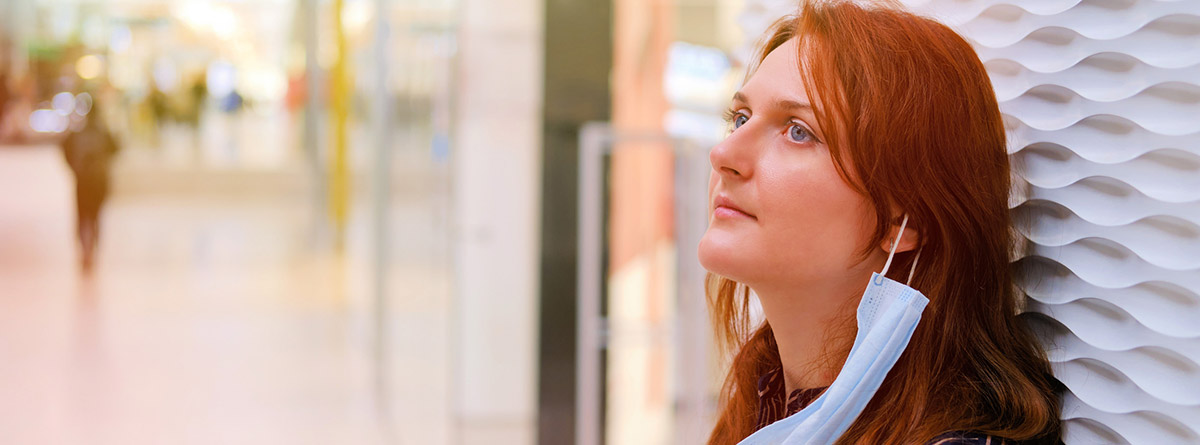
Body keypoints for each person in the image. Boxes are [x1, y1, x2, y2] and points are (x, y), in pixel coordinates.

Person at [697, 1, 1062, 444]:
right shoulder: (764, 394)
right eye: (740, 118)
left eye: (798, 131)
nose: (724, 154)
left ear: (905, 220)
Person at [61, 104, 119, 272]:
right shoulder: (103, 134)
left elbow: (65, 150)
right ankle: (90, 250)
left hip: (84, 181)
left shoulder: (79, 134)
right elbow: (116, 149)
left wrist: (75, 168)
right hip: (96, 181)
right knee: (94, 217)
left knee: (84, 217)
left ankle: (86, 250)